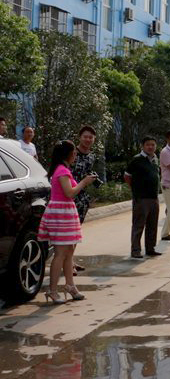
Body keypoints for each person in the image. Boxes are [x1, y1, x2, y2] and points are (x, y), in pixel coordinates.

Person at [37, 140, 96, 303]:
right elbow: (69, 193)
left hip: (65, 212)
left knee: (69, 251)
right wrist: (84, 182)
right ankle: (52, 289)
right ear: (68, 154)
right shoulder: (62, 171)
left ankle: (70, 285)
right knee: (60, 253)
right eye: (74, 153)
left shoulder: (62, 169)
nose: (76, 156)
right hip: (60, 214)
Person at [70, 125, 104, 272]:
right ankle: (67, 264)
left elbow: (88, 171)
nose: (88, 139)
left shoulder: (91, 155)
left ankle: (70, 260)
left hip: (83, 196)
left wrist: (95, 180)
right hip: (70, 194)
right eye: (85, 136)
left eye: (91, 137)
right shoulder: (71, 153)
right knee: (69, 231)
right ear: (79, 137)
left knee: (76, 230)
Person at [125, 137, 162, 259]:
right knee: (138, 225)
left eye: (153, 144)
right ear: (143, 146)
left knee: (152, 224)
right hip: (141, 198)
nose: (150, 147)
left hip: (154, 198)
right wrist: (136, 189)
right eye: (148, 145)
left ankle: (150, 248)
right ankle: (135, 250)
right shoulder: (137, 160)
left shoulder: (155, 159)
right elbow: (127, 176)